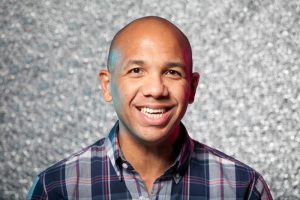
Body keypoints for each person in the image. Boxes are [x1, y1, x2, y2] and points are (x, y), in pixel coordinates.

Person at [27, 16, 273, 199]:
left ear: (192, 87)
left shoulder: (244, 188)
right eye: (136, 71)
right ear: (107, 85)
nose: (156, 89)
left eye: (172, 72)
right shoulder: (56, 188)